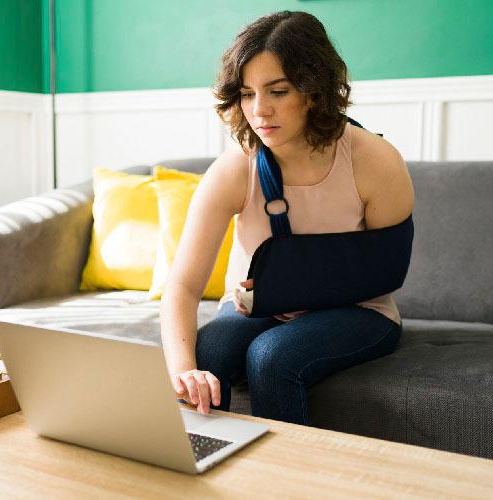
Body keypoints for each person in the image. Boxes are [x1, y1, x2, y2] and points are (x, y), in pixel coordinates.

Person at [159, 11, 414, 424]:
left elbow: (387, 271)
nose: (259, 111)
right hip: (256, 310)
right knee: (209, 353)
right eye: (246, 93)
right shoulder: (234, 170)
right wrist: (183, 371)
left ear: (314, 90)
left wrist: (296, 285)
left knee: (272, 356)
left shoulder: (375, 162)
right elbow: (183, 286)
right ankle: (198, 466)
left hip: (361, 312)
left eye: (277, 91)